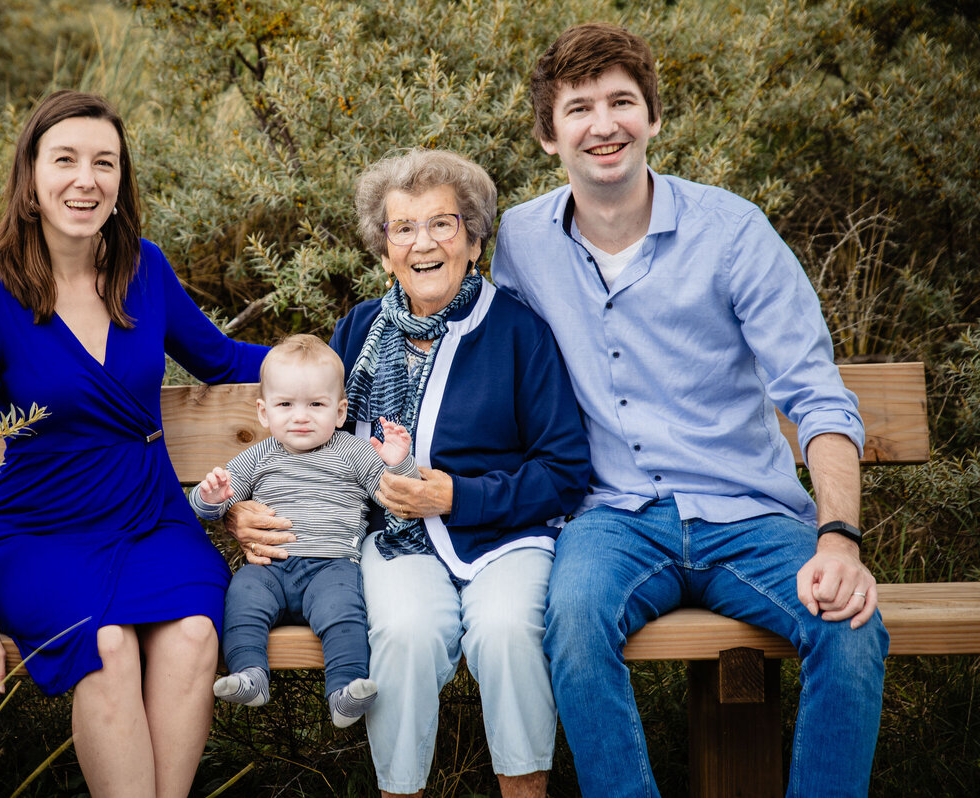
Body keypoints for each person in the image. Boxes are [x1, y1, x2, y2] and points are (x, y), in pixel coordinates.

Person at [489, 23, 890, 797]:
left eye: (622, 102)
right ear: (549, 135)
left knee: (851, 626)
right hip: (611, 517)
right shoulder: (522, 240)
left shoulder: (734, 233)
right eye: (579, 108)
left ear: (654, 119)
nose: (603, 125)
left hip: (751, 513)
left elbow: (816, 398)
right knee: (569, 619)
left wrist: (838, 539)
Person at [227, 148, 592, 798]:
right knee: (404, 632)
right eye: (404, 228)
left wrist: (458, 496)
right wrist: (245, 509)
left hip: (508, 536)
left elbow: (564, 472)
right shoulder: (361, 329)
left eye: (443, 225)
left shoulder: (518, 333)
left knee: (509, 633)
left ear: (475, 239)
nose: (423, 243)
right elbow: (311, 447)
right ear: (384, 247)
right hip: (395, 540)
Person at [0, 90, 267, 797]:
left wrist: (335, 365)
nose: (86, 180)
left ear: (121, 182)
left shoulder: (145, 269)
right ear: (30, 176)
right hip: (38, 532)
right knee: (106, 643)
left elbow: (223, 360)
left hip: (152, 518)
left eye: (104, 163)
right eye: (66, 160)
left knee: (192, 636)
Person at [189, 334, 418, 728]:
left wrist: (399, 464)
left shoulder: (354, 451)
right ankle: (250, 675)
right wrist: (212, 496)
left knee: (344, 614)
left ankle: (344, 693)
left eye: (316, 404)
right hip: (269, 567)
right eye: (285, 405)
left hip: (331, 568)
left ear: (340, 411)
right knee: (242, 598)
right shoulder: (259, 456)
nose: (300, 416)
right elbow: (211, 507)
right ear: (264, 413)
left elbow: (399, 499)